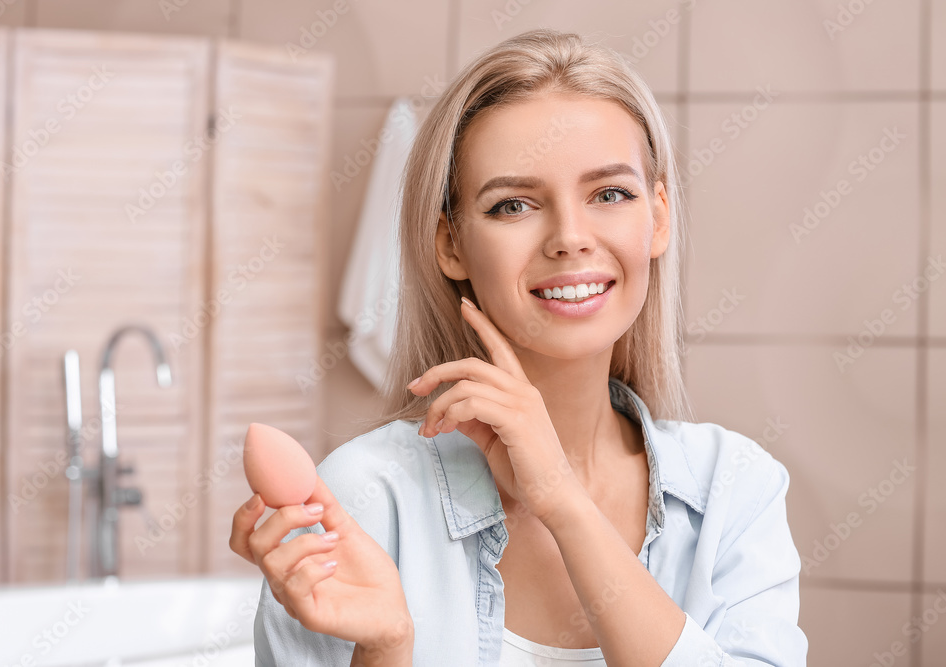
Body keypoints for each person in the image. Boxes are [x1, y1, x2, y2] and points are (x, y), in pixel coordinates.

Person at [229, 28, 809, 666]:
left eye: (610, 194)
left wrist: (561, 500)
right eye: (513, 205)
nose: (569, 237)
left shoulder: (734, 489)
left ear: (658, 216)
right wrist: (388, 647)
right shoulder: (366, 499)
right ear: (449, 243)